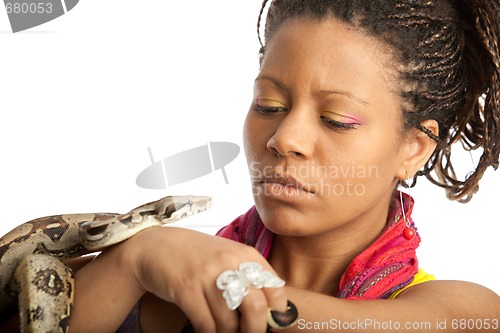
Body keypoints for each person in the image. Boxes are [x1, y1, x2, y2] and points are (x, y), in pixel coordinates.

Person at [2, 0, 499, 332]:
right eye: (269, 105)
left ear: (413, 148)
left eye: (336, 119)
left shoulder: (463, 312)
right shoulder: (147, 276)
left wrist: (212, 277)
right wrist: (136, 258)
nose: (285, 139)